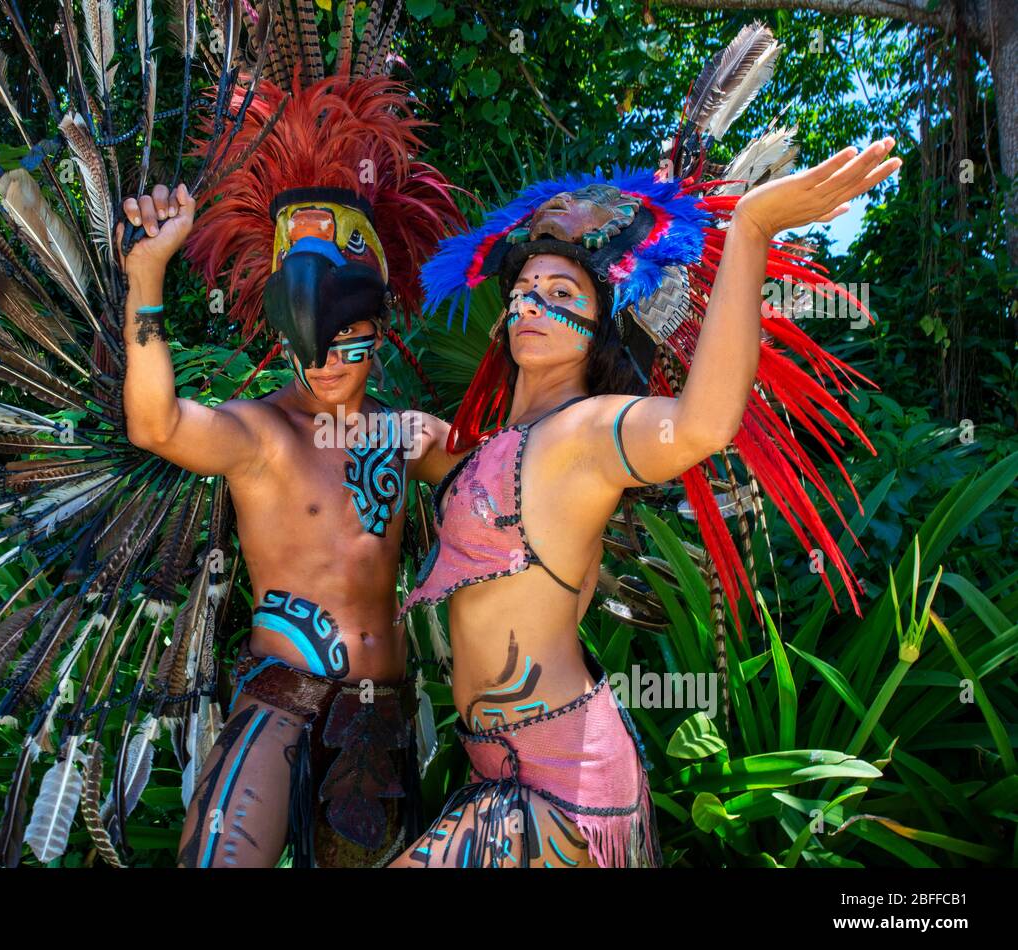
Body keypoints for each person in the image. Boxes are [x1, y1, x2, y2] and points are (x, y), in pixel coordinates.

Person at [388, 124, 899, 867]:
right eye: (524, 289)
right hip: (498, 776)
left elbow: (703, 423)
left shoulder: (587, 431)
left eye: (561, 292)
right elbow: (452, 465)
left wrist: (751, 226)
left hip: (559, 792)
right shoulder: (496, 447)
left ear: (599, 328)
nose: (532, 303)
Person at [117, 64, 462, 867]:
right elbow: (155, 422)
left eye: (349, 336)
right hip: (281, 700)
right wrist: (146, 278)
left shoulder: (413, 434)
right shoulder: (260, 434)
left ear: (378, 321)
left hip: (382, 716)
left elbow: (514, 483)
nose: (331, 359)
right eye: (313, 340)